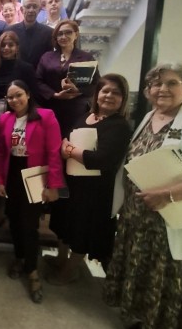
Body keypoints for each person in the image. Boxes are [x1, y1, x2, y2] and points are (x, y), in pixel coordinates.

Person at [103, 63, 182, 329]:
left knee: (171, 279)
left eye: (171, 83)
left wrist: (168, 194)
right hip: (138, 218)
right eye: (156, 83)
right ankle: (149, 321)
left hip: (172, 220)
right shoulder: (149, 116)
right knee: (145, 272)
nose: (162, 89)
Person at [47, 74, 132, 285]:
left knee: (83, 231)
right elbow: (67, 138)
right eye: (105, 91)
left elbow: (102, 159)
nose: (109, 96)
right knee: (65, 223)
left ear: (123, 98)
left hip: (95, 191)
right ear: (97, 94)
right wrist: (65, 146)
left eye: (116, 93)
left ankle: (70, 271)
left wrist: (70, 151)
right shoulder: (85, 116)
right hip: (72, 183)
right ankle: (60, 259)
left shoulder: (120, 126)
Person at [0, 80, 63, 304]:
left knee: (29, 225)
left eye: (18, 95)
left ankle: (32, 271)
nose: (14, 100)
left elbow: (54, 152)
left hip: (34, 175)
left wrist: (53, 185)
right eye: (10, 97)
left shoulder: (46, 116)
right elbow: (1, 152)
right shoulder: (5, 119)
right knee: (14, 220)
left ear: (28, 95)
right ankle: (20, 257)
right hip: (12, 174)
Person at [36, 19, 99, 138]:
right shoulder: (47, 57)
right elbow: (38, 81)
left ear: (76, 34)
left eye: (68, 32)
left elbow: (96, 84)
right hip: (51, 106)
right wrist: (54, 94)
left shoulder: (86, 58)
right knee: (50, 139)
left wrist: (78, 91)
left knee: (71, 140)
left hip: (76, 109)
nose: (63, 36)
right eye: (60, 34)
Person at [11, 0, 53, 68]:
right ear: (22, 9)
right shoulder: (11, 31)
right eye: (28, 6)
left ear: (39, 10)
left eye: (35, 7)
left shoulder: (49, 33)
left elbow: (49, 59)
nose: (31, 10)